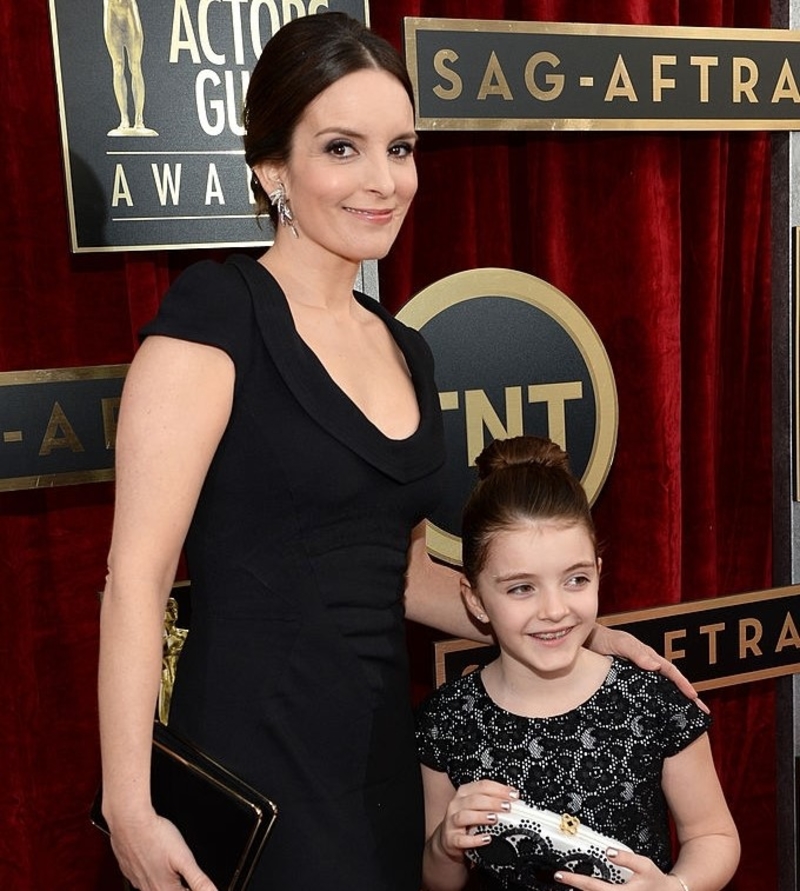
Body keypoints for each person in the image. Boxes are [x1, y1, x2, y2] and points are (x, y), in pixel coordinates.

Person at [97, 13, 706, 891]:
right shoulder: (217, 319)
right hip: (252, 756)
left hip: (381, 750)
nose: (383, 180)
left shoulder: (403, 345)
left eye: (401, 148)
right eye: (342, 148)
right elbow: (137, 579)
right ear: (273, 167)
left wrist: (575, 630)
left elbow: (398, 569)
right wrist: (129, 804)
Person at [416, 435, 740, 891]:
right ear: (475, 600)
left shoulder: (650, 699)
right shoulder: (447, 720)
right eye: (521, 588)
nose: (554, 609)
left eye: (576, 579)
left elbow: (713, 834)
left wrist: (674, 886)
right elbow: (439, 882)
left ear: (599, 572)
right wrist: (443, 845)